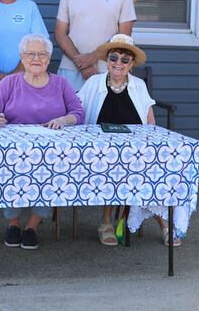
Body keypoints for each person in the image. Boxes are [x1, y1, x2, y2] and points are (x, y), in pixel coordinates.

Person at [0, 34, 85, 250]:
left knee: (51, 177)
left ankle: (32, 226)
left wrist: (63, 120)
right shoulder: (10, 83)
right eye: (30, 54)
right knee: (9, 175)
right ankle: (13, 223)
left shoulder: (60, 84)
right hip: (13, 152)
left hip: (51, 153)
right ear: (22, 58)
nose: (36, 58)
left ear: (48, 59)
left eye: (42, 54)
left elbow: (78, 112)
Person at [76, 34, 179, 247]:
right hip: (101, 148)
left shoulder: (138, 85)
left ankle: (165, 224)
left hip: (137, 147)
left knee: (155, 171)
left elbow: (150, 119)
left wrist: (154, 144)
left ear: (131, 64)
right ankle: (106, 222)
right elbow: (77, 110)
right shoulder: (94, 82)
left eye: (125, 60)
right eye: (114, 58)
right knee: (112, 168)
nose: (118, 64)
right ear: (107, 60)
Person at [55, 0, 137, 92]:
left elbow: (124, 35)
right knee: (70, 115)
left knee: (106, 115)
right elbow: (60, 34)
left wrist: (92, 57)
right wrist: (82, 65)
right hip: (71, 69)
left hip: (109, 69)